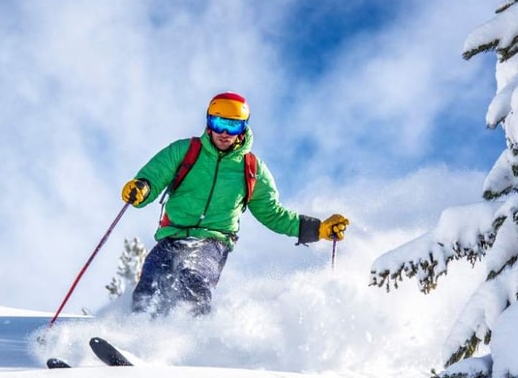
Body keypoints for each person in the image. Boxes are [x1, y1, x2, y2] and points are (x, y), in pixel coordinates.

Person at [120, 91, 349, 316]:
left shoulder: (252, 169)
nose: (224, 133)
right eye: (219, 123)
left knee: (193, 277)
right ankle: (139, 328)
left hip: (213, 241)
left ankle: (192, 330)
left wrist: (318, 229)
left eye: (233, 126)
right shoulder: (185, 151)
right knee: (151, 279)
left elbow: (273, 214)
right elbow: (154, 176)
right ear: (209, 123)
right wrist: (142, 188)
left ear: (243, 128)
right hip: (173, 235)